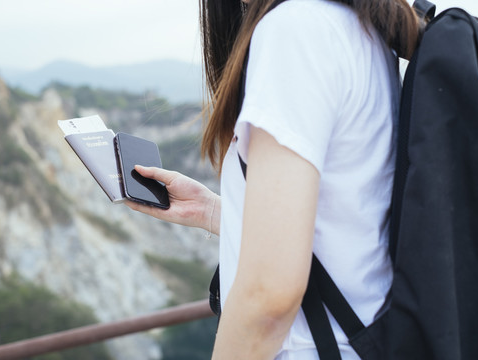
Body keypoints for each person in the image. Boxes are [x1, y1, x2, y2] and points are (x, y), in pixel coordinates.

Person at [126, 0, 421, 358]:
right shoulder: (358, 27)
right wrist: (213, 211)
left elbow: (269, 296)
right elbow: (351, 217)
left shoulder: (294, 30)